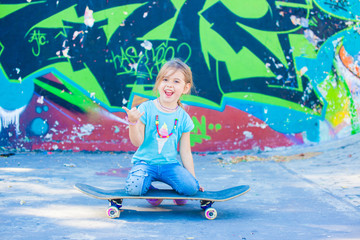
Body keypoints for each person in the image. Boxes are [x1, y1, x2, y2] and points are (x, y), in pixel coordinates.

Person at [122, 58, 203, 199]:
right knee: (134, 188)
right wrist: (132, 123)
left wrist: (194, 179)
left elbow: (185, 152)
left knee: (191, 188)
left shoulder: (183, 118)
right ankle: (151, 190)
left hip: (169, 166)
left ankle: (178, 192)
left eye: (176, 81)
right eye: (165, 80)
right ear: (158, 82)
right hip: (145, 164)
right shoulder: (145, 109)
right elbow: (137, 142)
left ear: (185, 88)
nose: (169, 85)